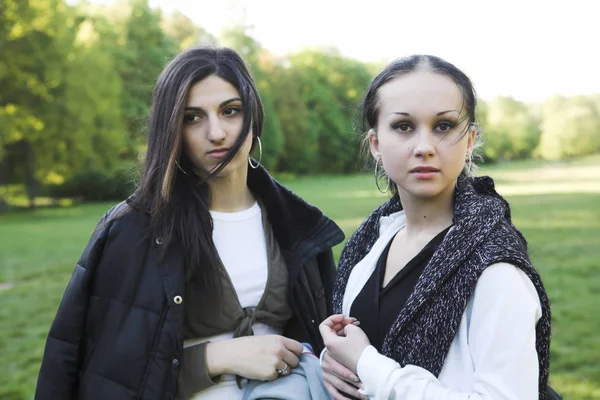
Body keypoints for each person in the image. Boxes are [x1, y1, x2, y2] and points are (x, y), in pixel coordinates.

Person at [34, 46, 346, 400]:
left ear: (253, 117)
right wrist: (214, 358)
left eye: (231, 111)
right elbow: (107, 372)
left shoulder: (300, 224)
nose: (216, 133)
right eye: (192, 117)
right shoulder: (134, 229)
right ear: (173, 130)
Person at [318, 55, 553, 400]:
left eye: (443, 126)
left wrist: (368, 366)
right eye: (403, 126)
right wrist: (334, 360)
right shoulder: (370, 243)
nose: (424, 147)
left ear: (470, 140)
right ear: (376, 144)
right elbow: (362, 347)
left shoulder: (495, 268)